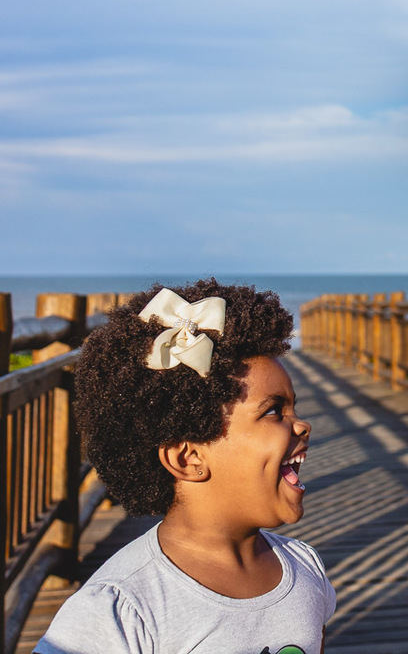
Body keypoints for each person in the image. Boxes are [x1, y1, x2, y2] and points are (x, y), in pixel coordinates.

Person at [35, 279, 336, 654]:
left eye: (293, 407)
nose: (302, 424)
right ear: (188, 458)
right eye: (274, 410)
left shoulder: (305, 569)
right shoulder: (121, 609)